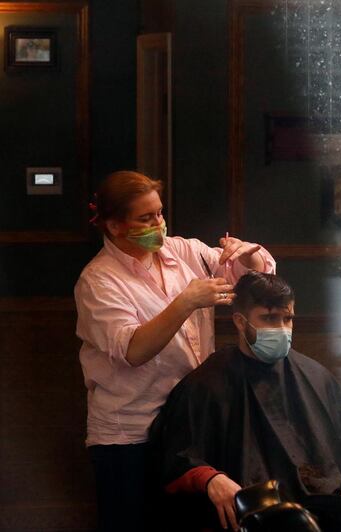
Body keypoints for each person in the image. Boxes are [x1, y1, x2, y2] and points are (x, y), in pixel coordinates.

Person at [74, 170, 275, 531]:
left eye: (160, 213)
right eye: (146, 218)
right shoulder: (98, 280)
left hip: (189, 419)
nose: (159, 224)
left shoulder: (182, 251)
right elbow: (133, 350)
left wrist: (248, 257)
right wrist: (185, 302)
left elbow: (250, 280)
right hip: (131, 432)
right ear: (115, 226)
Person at [150, 272, 341, 531]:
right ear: (240, 322)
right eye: (268, 318)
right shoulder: (206, 385)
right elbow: (178, 457)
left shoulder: (316, 377)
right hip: (251, 515)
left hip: (322, 509)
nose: (281, 328)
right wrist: (211, 479)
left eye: (287, 319)